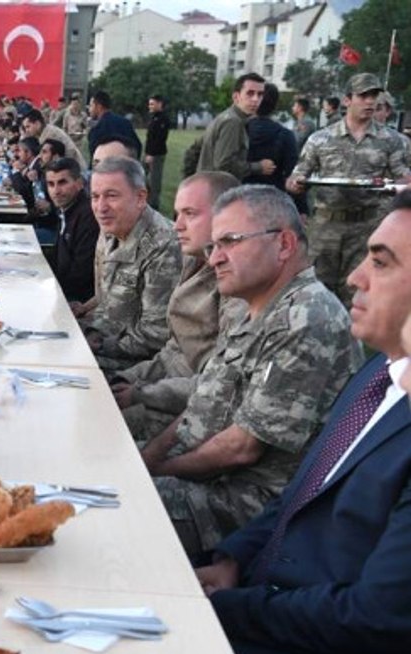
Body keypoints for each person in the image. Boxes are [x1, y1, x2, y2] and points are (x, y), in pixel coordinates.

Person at [195, 191, 411, 654]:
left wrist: (229, 608)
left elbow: (375, 617)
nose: (355, 277)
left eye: (381, 262)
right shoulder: (380, 373)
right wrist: (234, 558)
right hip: (281, 605)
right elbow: (303, 493)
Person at [142, 185, 361, 557]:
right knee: (93, 471)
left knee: (106, 518)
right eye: (213, 246)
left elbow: (242, 449)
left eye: (230, 242)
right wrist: (146, 459)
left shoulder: (305, 319)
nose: (214, 260)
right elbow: (201, 404)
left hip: (242, 505)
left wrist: (155, 472)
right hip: (199, 475)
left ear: (285, 244)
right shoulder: (256, 307)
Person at [112, 172, 244, 441]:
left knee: (96, 433)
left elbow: (216, 387)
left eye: (190, 214)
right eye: (177, 214)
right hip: (165, 391)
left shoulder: (236, 285)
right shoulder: (193, 262)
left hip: (192, 415)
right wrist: (122, 379)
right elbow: (173, 351)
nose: (177, 226)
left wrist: (139, 393)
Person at [286, 73, 411, 306]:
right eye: (363, 96)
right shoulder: (320, 139)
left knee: (358, 296)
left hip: (367, 228)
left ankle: (352, 342)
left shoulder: (393, 140)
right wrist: (296, 183)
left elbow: (402, 177)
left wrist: (404, 184)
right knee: (314, 295)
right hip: (325, 229)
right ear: (347, 100)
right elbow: (298, 175)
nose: (370, 101)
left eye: (374, 96)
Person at [82, 157, 181, 371]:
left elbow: (155, 335)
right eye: (95, 196)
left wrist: (93, 345)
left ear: (140, 198)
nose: (101, 207)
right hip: (103, 340)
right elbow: (109, 302)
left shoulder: (163, 246)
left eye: (111, 196)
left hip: (133, 367)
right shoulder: (113, 226)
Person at [198, 73, 274, 180]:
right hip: (216, 189)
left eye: (260, 94)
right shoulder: (233, 122)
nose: (255, 99)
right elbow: (224, 165)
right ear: (236, 97)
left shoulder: (229, 117)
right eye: (250, 93)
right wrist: (258, 167)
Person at [44, 157, 99, 305]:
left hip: (77, 301)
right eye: (51, 184)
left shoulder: (88, 217)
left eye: (62, 182)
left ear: (79, 183)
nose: (56, 191)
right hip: (62, 290)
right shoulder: (66, 210)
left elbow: (81, 273)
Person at [244, 83, 300, 210]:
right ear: (275, 105)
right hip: (273, 200)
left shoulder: (239, 131)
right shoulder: (286, 135)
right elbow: (293, 175)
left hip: (240, 197)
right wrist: (301, 208)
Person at [86, 90, 141, 161]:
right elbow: (137, 146)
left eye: (91, 106)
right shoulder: (125, 122)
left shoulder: (97, 129)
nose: (89, 109)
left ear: (99, 106)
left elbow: (95, 156)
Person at [144, 95, 171, 211]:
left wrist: (151, 154)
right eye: (149, 104)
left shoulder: (163, 119)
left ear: (160, 104)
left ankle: (154, 206)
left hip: (156, 154)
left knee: (155, 181)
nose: (150, 106)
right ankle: (145, 200)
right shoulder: (153, 117)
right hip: (148, 153)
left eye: (152, 104)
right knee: (141, 176)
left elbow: (159, 139)